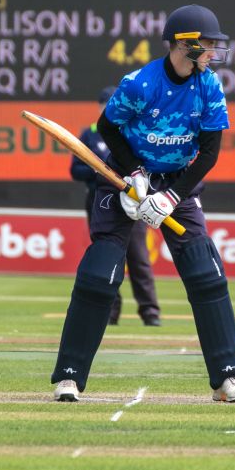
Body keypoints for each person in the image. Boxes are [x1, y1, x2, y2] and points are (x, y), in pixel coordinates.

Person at [51, 4, 235, 403]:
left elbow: (210, 152)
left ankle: (227, 378)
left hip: (178, 182)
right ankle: (69, 377)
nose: (213, 51)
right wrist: (136, 175)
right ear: (183, 43)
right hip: (126, 178)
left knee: (206, 273)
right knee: (100, 275)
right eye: (208, 43)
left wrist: (171, 196)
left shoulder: (209, 86)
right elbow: (108, 127)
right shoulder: (140, 83)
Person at [70, 85, 161, 327]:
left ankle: (150, 311)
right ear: (100, 106)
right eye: (106, 104)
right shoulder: (90, 134)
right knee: (107, 254)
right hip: (100, 200)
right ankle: (110, 311)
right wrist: (99, 172)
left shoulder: (133, 131)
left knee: (139, 256)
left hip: (133, 199)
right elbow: (75, 170)